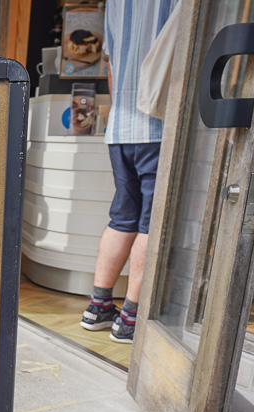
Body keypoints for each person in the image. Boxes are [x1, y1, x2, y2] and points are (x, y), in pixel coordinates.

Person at [79, 0, 177, 343]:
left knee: (123, 215)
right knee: (152, 222)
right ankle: (131, 318)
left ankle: (98, 306)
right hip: (161, 124)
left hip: (121, 128)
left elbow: (109, 63)